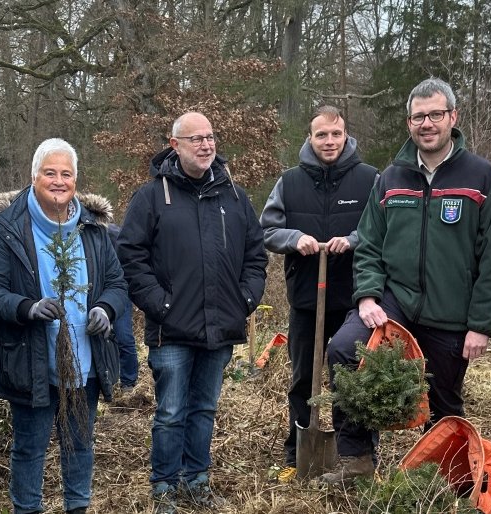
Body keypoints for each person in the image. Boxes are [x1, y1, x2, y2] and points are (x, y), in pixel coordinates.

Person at [320, 78, 491, 484]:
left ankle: (436, 482)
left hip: (451, 311)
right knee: (343, 350)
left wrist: (481, 325)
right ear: (409, 122)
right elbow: (369, 243)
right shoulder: (391, 178)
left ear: (452, 118)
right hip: (396, 301)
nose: (427, 123)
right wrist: (368, 297)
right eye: (419, 116)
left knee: (443, 401)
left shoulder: (481, 177)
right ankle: (356, 460)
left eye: (435, 115)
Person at [117, 112, 267, 513]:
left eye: (210, 137)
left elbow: (256, 254)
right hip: (171, 329)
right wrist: (159, 303)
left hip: (221, 326)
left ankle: (196, 480)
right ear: (175, 144)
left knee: (204, 409)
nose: (206, 145)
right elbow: (130, 257)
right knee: (169, 412)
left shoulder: (234, 196)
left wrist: (245, 300)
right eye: (195, 139)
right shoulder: (151, 197)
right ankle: (164, 487)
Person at [0, 138, 127, 514]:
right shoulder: (7, 228)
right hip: (30, 363)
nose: (58, 181)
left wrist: (106, 309)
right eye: (50, 173)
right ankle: (26, 509)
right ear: (33, 177)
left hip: (85, 363)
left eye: (66, 174)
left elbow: (117, 283)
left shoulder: (94, 229)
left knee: (80, 443)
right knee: (30, 447)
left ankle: (78, 506)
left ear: (75, 180)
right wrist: (26, 307)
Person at [259, 105, 379, 481]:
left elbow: (382, 229)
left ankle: (356, 455)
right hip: (307, 299)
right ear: (310, 138)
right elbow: (267, 230)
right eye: (321, 135)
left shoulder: (369, 179)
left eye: (336, 134)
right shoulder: (290, 182)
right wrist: (296, 239)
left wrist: (353, 239)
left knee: (352, 380)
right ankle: (298, 452)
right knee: (302, 377)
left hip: (355, 300)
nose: (329, 142)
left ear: (346, 136)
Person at [107, 223, 140, 392]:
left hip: (119, 290)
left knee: (123, 336)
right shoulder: (77, 232)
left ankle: (129, 381)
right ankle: (105, 381)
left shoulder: (114, 233)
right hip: (91, 292)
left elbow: (131, 259)